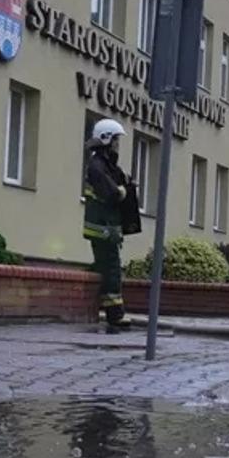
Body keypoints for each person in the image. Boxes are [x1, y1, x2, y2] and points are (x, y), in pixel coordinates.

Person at [84, 119, 140, 332]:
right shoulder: (97, 166)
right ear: (107, 138)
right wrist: (124, 191)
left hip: (107, 228)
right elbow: (111, 193)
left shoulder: (105, 163)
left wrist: (127, 181)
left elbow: (118, 177)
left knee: (108, 268)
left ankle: (110, 310)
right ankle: (115, 315)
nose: (118, 144)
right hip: (102, 228)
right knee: (111, 271)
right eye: (116, 139)